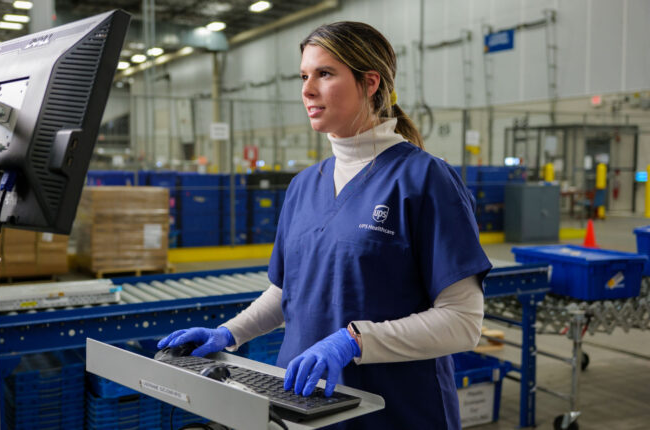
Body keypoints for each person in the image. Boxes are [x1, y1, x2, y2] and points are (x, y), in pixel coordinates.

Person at [158, 21, 492, 429]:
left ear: (370, 83)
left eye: (325, 74)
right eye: (303, 76)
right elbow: (287, 292)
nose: (307, 90)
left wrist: (353, 341)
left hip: (395, 411)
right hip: (301, 407)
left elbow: (463, 323)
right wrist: (229, 334)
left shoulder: (425, 179)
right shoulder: (303, 186)